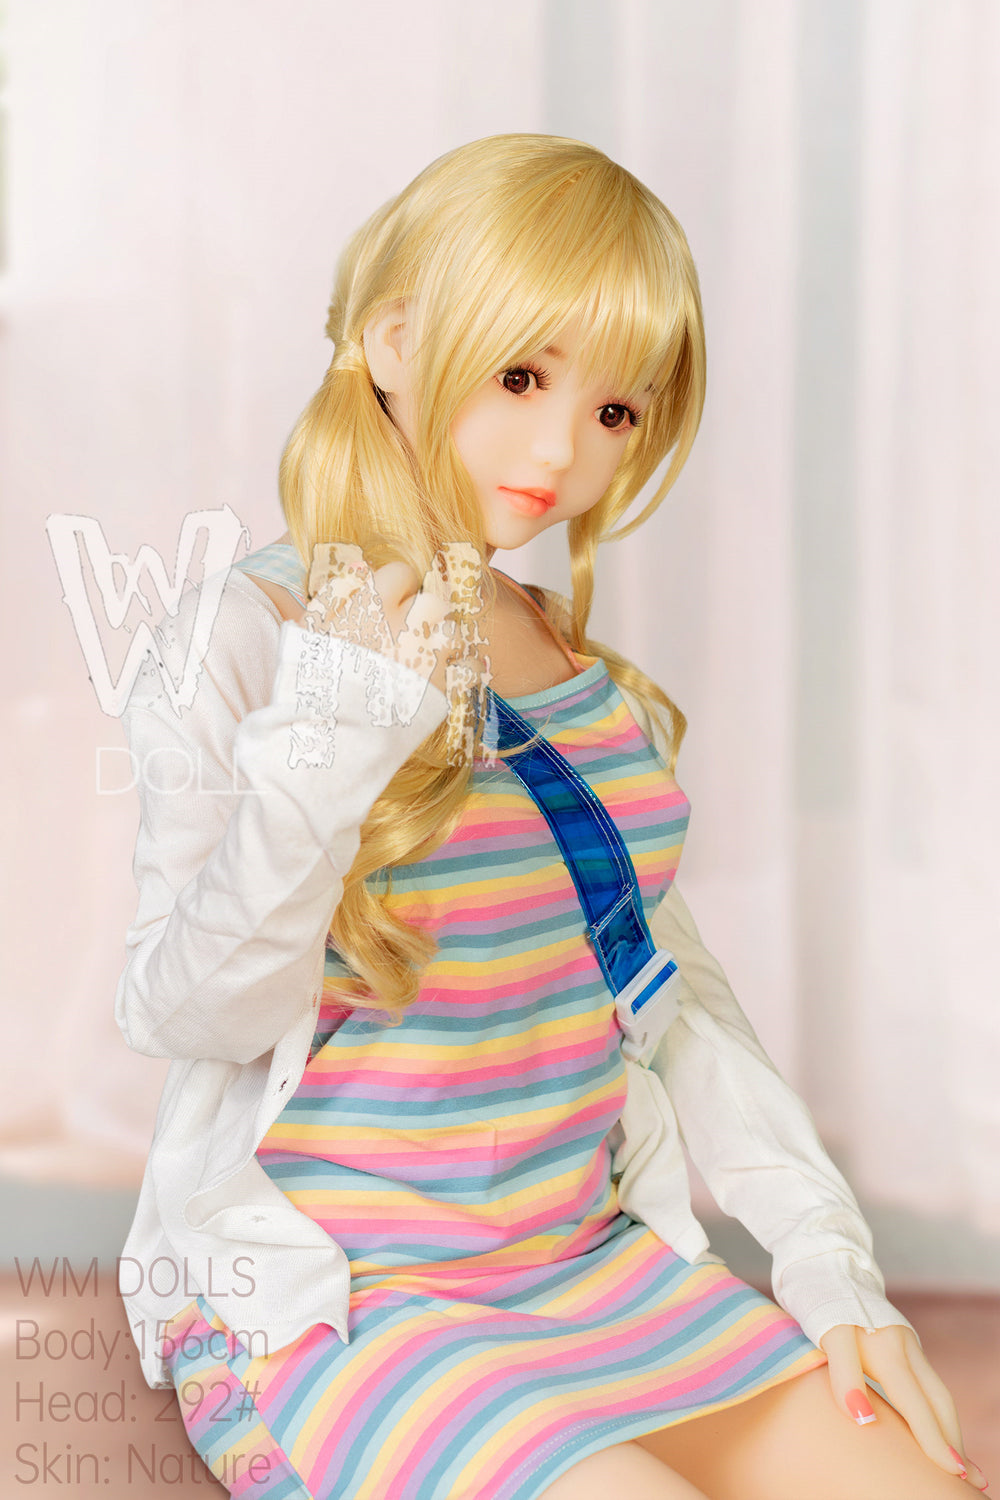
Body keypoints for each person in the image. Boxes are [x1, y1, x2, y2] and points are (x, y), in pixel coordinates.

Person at [114, 135, 989, 1500]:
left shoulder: (580, 675)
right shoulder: (243, 638)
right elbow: (187, 1011)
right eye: (523, 376)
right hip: (340, 1302)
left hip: (594, 1272)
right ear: (395, 339)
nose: (563, 450)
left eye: (616, 409)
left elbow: (678, 1004)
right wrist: (337, 734)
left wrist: (829, 1261)